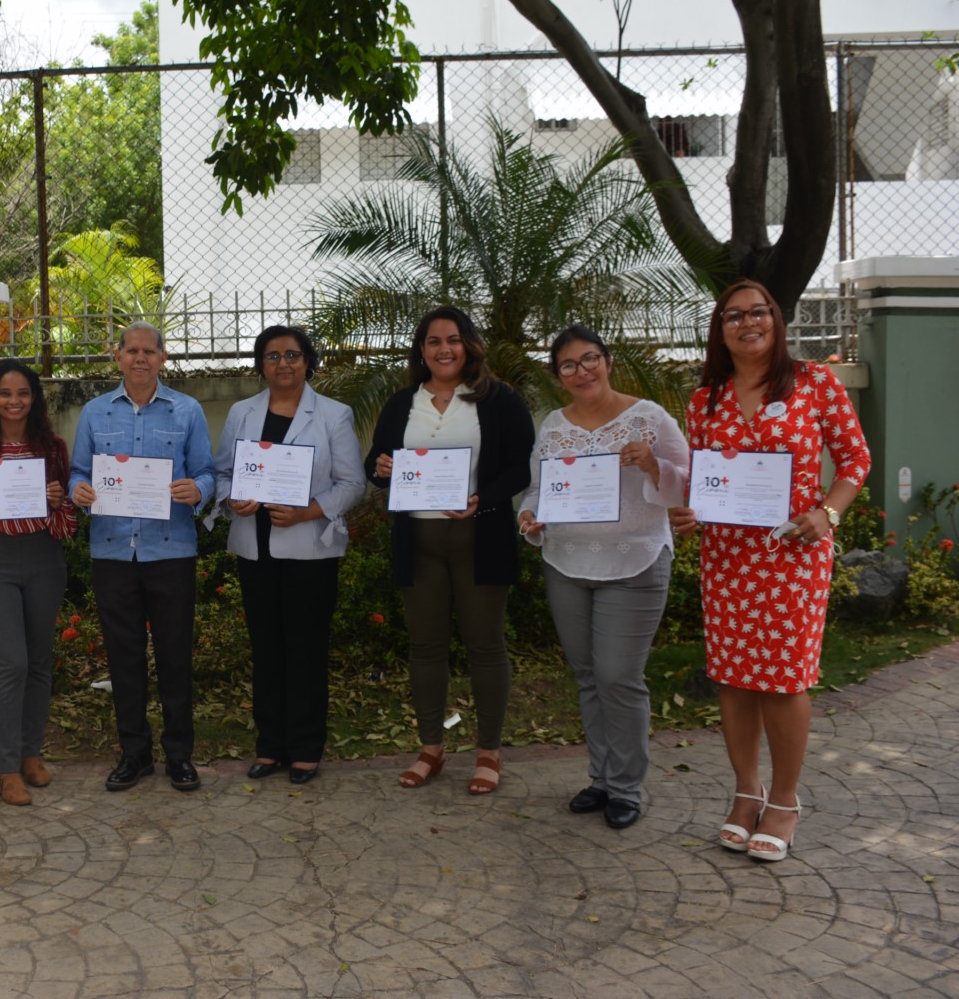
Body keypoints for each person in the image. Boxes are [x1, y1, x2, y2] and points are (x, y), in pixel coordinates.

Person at [670, 279, 869, 862]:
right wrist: (690, 512)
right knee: (733, 677)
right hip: (728, 558)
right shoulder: (705, 397)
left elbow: (856, 458)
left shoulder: (814, 383)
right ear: (720, 328)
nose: (747, 322)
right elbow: (703, 478)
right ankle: (744, 792)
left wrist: (827, 513)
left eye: (759, 312)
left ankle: (783, 800)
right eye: (734, 315)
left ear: (777, 321)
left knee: (783, 681)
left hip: (792, 558)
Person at [516, 326, 689, 830]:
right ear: (558, 376)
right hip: (566, 562)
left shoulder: (649, 417)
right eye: (568, 365)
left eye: (589, 359)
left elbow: (690, 481)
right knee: (589, 676)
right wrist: (529, 518)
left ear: (608, 360)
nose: (581, 371)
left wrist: (654, 464)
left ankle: (628, 786)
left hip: (633, 562)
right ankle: (601, 777)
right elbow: (534, 491)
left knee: (618, 676)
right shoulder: (552, 425)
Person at [365, 305, 534, 795]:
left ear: (470, 346)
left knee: (485, 645)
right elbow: (375, 464)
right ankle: (431, 747)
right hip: (418, 541)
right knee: (425, 647)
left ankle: (488, 751)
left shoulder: (499, 400)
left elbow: (519, 470)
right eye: (434, 341)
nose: (444, 349)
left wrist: (485, 499)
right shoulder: (402, 404)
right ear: (422, 350)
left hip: (479, 538)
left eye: (454, 340)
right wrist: (380, 468)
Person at [213, 326, 365, 785]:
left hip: (309, 549)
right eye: (273, 355)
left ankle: (305, 747)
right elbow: (222, 473)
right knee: (266, 650)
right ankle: (270, 746)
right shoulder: (242, 413)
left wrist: (309, 512)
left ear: (308, 361)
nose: (283, 363)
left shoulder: (333, 415)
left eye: (293, 355)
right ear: (261, 364)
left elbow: (353, 484)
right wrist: (230, 499)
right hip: (254, 548)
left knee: (305, 649)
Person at [69, 320, 216, 792]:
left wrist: (198, 490)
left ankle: (179, 756)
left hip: (170, 551)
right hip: (112, 551)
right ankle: (134, 754)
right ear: (117, 357)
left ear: (163, 358)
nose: (139, 359)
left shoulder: (187, 411)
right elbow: (76, 472)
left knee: (174, 657)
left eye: (148, 351)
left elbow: (207, 473)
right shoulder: (94, 413)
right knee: (124, 658)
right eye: (130, 350)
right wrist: (79, 491)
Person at [0, 360, 78, 806]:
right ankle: (4, 769)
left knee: (41, 663)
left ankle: (29, 753)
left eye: (23, 393)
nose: (14, 401)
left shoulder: (53, 448)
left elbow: (67, 528)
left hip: (44, 559)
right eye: (5, 393)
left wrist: (58, 502)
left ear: (34, 398)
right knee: (14, 663)